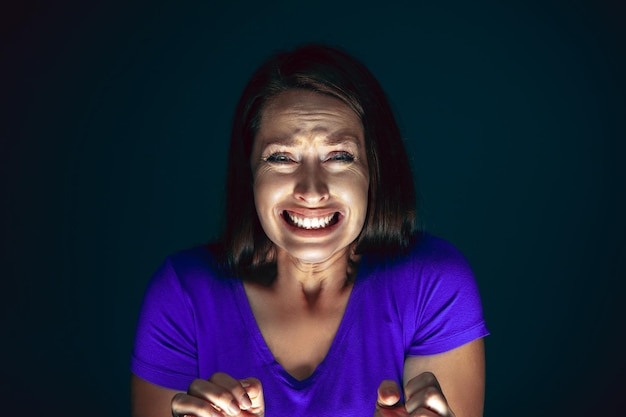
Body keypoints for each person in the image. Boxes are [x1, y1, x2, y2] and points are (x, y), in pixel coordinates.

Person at [130, 44, 489, 417]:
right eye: (281, 158)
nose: (312, 190)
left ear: (374, 169)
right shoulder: (182, 293)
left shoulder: (434, 283)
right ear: (249, 173)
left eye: (339, 156)